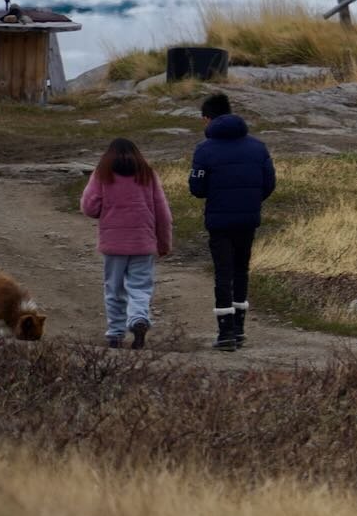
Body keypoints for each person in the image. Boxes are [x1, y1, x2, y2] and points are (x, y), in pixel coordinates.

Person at [189, 92, 276, 352]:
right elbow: (269, 184)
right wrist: (251, 200)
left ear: (207, 118)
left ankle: (225, 333)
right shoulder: (258, 146)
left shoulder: (204, 150)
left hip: (219, 221)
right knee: (241, 271)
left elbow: (197, 188)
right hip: (248, 219)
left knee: (222, 273)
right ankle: (239, 329)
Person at [80, 137, 172, 349]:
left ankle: (115, 334)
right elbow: (163, 213)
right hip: (143, 242)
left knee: (114, 289)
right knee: (140, 287)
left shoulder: (102, 173)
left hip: (113, 243)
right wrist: (164, 243)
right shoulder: (147, 173)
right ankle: (138, 318)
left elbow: (89, 207)